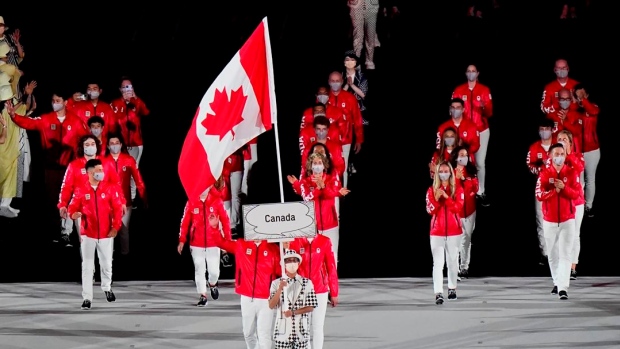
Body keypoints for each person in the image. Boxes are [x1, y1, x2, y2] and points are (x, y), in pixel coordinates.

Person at [5, 95, 89, 231]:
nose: (54, 103)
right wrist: (14, 116)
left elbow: (87, 138)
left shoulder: (75, 121)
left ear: (65, 102)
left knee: (69, 198)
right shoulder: (46, 119)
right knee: (52, 200)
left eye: (58, 101)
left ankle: (66, 231)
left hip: (69, 169)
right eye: (53, 101)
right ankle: (55, 228)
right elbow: (29, 123)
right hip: (50, 168)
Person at [68, 159, 124, 310]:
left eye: (102, 170)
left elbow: (118, 209)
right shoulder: (80, 189)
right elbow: (72, 207)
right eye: (99, 170)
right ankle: (87, 298)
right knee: (87, 266)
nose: (102, 172)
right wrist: (73, 214)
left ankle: (107, 288)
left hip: (106, 233)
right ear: (90, 172)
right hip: (88, 234)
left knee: (106, 264)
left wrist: (115, 227)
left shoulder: (109, 188)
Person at [214, 226, 281, 349]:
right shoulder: (241, 244)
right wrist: (214, 227)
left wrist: (286, 252)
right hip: (246, 296)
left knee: (263, 334)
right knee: (248, 333)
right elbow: (219, 242)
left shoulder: (273, 249)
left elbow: (280, 271)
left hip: (266, 299)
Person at [58, 135, 124, 246]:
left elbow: (116, 184)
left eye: (93, 144)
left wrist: (122, 201)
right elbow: (66, 187)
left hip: (105, 208)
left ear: (97, 146)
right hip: (82, 209)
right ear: (82, 147)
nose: (90, 147)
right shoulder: (74, 166)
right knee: (85, 243)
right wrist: (63, 204)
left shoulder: (107, 163)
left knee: (105, 243)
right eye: (87, 145)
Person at [536, 143, 581, 300]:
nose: (560, 156)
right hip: (549, 220)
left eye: (562, 153)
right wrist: (554, 191)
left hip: (568, 219)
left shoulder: (571, 172)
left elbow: (577, 194)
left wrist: (565, 188)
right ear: (550, 155)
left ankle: (563, 288)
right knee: (553, 254)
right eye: (556, 153)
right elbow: (539, 194)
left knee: (565, 254)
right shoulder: (544, 173)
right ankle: (557, 281)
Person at [178, 182, 231, 306]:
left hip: (214, 242)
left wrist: (227, 241)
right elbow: (184, 222)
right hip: (196, 243)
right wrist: (182, 240)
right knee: (199, 269)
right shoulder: (191, 201)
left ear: (209, 186)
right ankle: (203, 295)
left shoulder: (217, 201)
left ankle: (212, 284)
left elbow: (225, 221)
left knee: (214, 272)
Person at [297, 153, 350, 265]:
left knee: (332, 255)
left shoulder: (331, 179)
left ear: (324, 165)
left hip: (330, 224)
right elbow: (307, 198)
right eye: (315, 163)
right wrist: (317, 189)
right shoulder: (305, 182)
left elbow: (333, 193)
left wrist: (324, 187)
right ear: (310, 165)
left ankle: (332, 282)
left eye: (319, 163)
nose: (317, 166)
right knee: (313, 256)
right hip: (312, 225)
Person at [451, 65, 492, 206]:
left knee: (480, 163)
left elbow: (490, 112)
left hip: (481, 130)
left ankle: (480, 192)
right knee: (461, 161)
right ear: (465, 73)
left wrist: (482, 107)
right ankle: (460, 191)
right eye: (468, 71)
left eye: (473, 71)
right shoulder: (458, 90)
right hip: (463, 131)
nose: (471, 73)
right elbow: (453, 110)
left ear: (478, 73)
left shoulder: (485, 90)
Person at [288, 235, 338, 349]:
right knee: (303, 328)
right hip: (302, 290)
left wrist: (334, 292)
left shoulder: (324, 241)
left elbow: (331, 267)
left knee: (318, 327)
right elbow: (290, 266)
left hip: (320, 290)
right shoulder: (296, 241)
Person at [425, 161, 464, 304]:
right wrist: (435, 199)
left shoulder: (457, 189)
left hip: (454, 232)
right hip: (437, 232)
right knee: (438, 263)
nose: (443, 173)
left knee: (453, 261)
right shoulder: (431, 190)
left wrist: (447, 198)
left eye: (446, 170)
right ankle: (438, 293)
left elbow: (458, 208)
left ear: (450, 172)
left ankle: (452, 288)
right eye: (440, 171)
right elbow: (429, 210)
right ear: (437, 173)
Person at [268, 249, 318, 349]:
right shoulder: (276, 283)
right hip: (283, 332)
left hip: (300, 332)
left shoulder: (307, 283)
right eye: (288, 261)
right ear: (284, 264)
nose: (291, 263)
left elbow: (311, 307)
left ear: (298, 263)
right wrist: (280, 289)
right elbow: (271, 305)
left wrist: (293, 312)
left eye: (294, 260)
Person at [106, 133, 146, 255]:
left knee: (124, 230)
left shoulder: (129, 160)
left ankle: (125, 254)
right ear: (108, 146)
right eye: (112, 143)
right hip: (108, 202)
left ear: (121, 144)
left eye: (117, 143)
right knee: (108, 229)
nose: (114, 146)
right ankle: (108, 255)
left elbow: (139, 181)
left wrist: (145, 199)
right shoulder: (102, 162)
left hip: (126, 202)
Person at [110, 77, 149, 203]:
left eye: (129, 86)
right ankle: (119, 198)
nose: (127, 89)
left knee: (133, 171)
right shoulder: (115, 104)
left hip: (137, 144)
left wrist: (135, 99)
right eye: (125, 87)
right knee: (119, 171)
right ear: (120, 89)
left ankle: (131, 199)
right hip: (120, 144)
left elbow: (146, 112)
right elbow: (112, 121)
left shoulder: (136, 102)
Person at [556, 130, 585, 280]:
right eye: (559, 139)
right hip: (560, 201)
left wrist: (568, 154)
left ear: (570, 143)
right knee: (560, 235)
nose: (561, 141)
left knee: (574, 234)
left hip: (576, 201)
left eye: (564, 139)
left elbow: (579, 168)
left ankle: (573, 267)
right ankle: (562, 266)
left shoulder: (577, 156)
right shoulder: (554, 158)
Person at [526, 118, 556, 265]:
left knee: (558, 218)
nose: (544, 132)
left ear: (552, 129)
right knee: (541, 219)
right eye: (541, 129)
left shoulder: (558, 145)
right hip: (541, 185)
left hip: (557, 186)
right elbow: (529, 164)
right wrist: (541, 168)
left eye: (546, 129)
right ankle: (545, 253)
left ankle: (558, 251)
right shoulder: (534, 147)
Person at [327, 72, 363, 188]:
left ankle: (343, 192)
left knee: (344, 166)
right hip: (328, 140)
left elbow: (357, 119)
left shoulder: (350, 98)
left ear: (342, 82)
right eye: (333, 81)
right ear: (329, 82)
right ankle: (330, 191)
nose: (335, 83)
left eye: (337, 80)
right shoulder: (324, 98)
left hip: (345, 140)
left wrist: (359, 139)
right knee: (328, 166)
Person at [569, 84, 600, 217]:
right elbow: (570, 119)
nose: (580, 97)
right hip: (577, 151)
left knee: (590, 179)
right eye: (577, 95)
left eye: (582, 94)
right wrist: (574, 101)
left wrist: (583, 100)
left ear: (586, 95)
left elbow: (593, 111)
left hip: (592, 150)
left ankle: (589, 206)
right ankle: (578, 206)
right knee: (578, 181)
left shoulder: (594, 107)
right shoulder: (574, 110)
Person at [450, 146, 478, 280]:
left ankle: (464, 267)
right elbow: (451, 191)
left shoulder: (471, 173)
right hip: (456, 211)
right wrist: (457, 179)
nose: (465, 157)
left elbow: (474, 189)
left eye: (466, 155)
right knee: (456, 239)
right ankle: (454, 267)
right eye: (462, 154)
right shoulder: (450, 172)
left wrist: (464, 180)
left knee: (466, 239)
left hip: (470, 211)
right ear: (456, 157)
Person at [348, 0, 380, 69]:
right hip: (356, 5)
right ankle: (357, 61)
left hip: (371, 5)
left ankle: (370, 61)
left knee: (370, 35)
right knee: (357, 35)